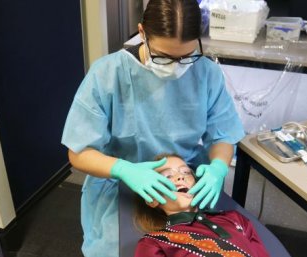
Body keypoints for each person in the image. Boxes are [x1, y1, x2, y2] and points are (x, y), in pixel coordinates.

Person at [61, 0, 245, 256]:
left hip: (187, 183)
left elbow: (223, 135)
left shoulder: (207, 73)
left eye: (186, 57)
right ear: (142, 33)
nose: (176, 66)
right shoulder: (108, 73)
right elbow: (78, 153)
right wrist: (124, 170)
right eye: (164, 56)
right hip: (121, 185)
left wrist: (217, 168)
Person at [134, 154, 270, 257]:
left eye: (186, 172)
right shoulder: (153, 242)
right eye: (168, 176)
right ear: (152, 199)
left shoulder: (234, 218)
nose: (181, 177)